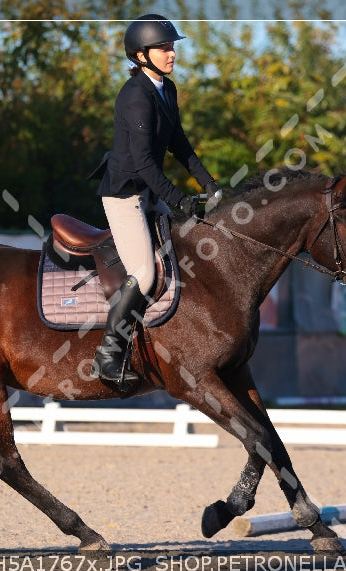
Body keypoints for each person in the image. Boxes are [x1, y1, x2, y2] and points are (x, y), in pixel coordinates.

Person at [91, 14, 222, 395]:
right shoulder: (135, 96)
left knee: (190, 248)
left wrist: (210, 185)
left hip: (148, 192)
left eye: (172, 46)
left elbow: (179, 144)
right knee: (145, 274)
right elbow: (146, 163)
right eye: (163, 48)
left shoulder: (167, 89)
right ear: (140, 55)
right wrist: (180, 200)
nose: (172, 53)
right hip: (124, 195)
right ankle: (109, 353)